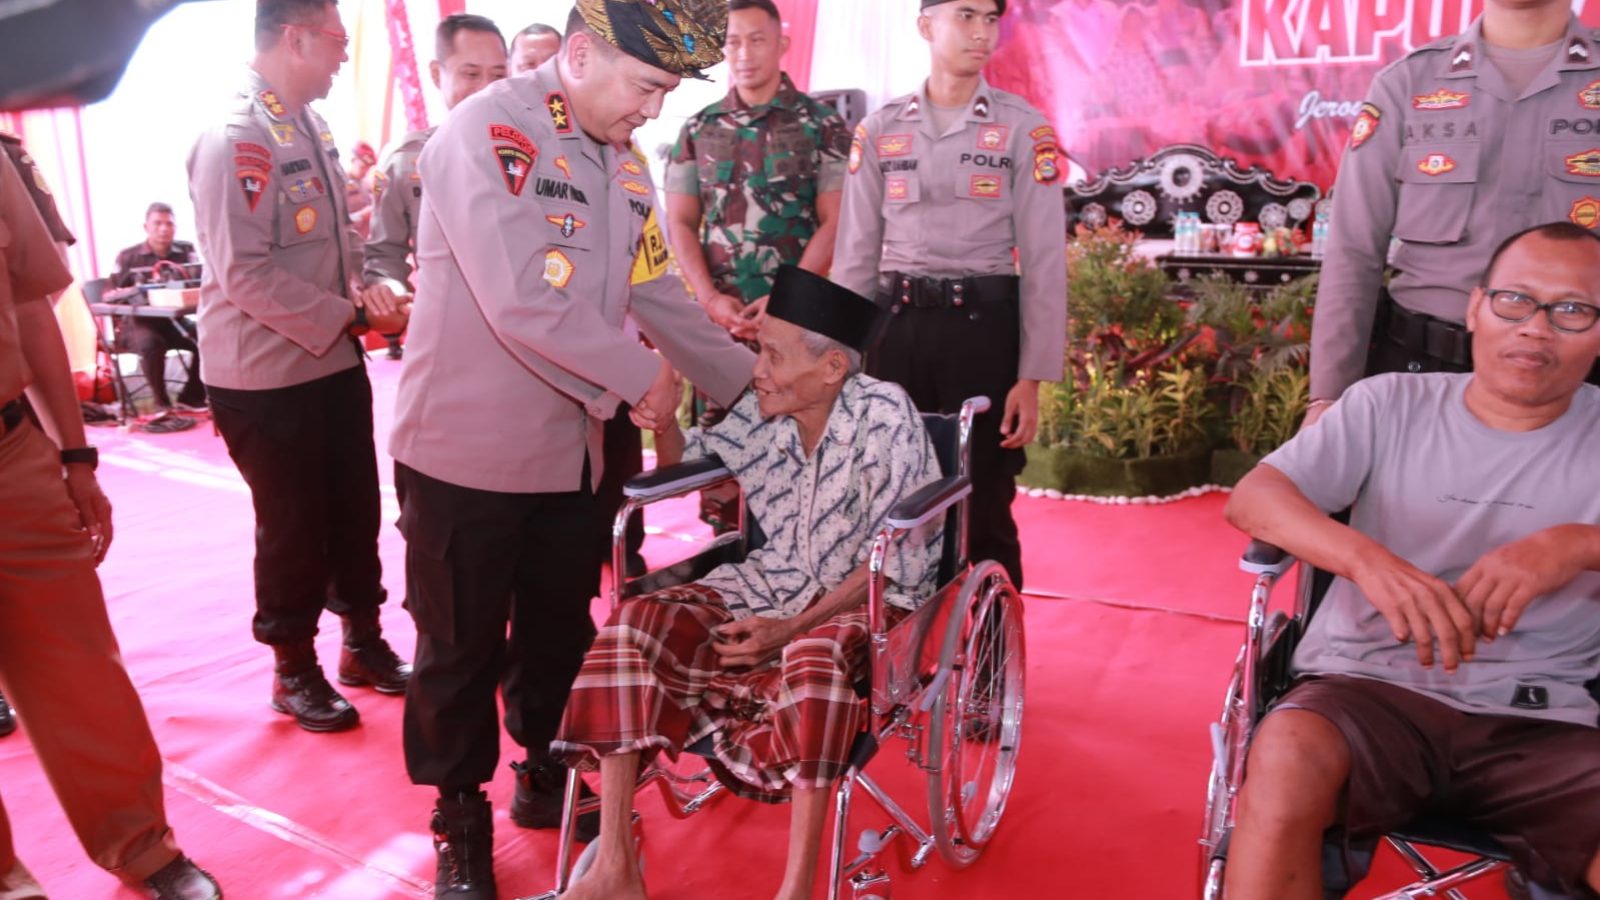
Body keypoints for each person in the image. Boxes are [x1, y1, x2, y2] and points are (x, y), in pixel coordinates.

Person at [388, 2, 753, 895]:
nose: (655, 112)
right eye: (647, 87)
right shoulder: (487, 133)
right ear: (583, 56)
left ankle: (545, 771)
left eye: (666, 93)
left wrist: (757, 385)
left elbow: (659, 290)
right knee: (459, 645)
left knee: (559, 634)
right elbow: (522, 300)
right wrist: (646, 382)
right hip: (465, 452)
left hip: (576, 455)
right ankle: (459, 815)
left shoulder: (625, 167)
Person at [1221, 222, 1600, 900]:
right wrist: (1367, 561)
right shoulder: (1387, 403)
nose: (1536, 329)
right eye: (1515, 300)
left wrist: (1576, 544)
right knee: (1281, 762)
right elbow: (1255, 499)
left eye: (1572, 310)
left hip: (1545, 718)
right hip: (1365, 692)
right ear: (1476, 305)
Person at [551, 264, 944, 900]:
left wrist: (790, 630)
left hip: (865, 597)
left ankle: (794, 890)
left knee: (814, 660)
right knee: (635, 622)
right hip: (769, 580)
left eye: (773, 355)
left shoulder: (885, 419)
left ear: (833, 369)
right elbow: (685, 465)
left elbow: (891, 562)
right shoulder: (767, 412)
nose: (756, 370)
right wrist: (667, 420)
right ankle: (617, 866)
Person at [0, 145, 223, 900]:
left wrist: (73, 455)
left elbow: (29, 307)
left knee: (80, 668)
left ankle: (142, 847)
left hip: (11, 457)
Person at [186, 0, 411, 735]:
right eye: (337, 41)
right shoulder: (235, 138)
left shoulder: (304, 122)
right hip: (264, 374)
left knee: (354, 508)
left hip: (332, 357)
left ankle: (362, 643)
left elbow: (323, 242)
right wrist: (351, 316)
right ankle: (292, 667)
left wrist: (365, 288)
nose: (345, 56)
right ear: (296, 37)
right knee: (291, 526)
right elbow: (243, 274)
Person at [831, 0, 1066, 590]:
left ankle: (991, 659)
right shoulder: (880, 130)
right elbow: (855, 255)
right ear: (925, 26)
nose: (982, 32)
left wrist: (1032, 377)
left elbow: (1043, 261)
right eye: (966, 16)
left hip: (982, 333)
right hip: (896, 330)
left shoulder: (1022, 128)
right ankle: (893, 657)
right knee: (890, 499)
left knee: (984, 502)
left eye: (991, 19)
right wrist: (838, 361)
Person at [1307, 0, 1600, 427]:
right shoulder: (1408, 83)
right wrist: (1328, 398)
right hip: (1420, 375)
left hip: (1578, 384)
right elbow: (1354, 252)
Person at [664, 0, 850, 534]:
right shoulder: (698, 129)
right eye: (732, 42)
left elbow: (835, 221)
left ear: (782, 44)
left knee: (802, 468)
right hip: (723, 332)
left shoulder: (822, 125)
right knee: (721, 472)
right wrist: (709, 301)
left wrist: (790, 302)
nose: (743, 54)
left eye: (757, 40)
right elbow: (679, 223)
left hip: (798, 331)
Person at [364, 12, 508, 362]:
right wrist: (390, 290)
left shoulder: (537, 153)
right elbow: (384, 254)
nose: (486, 88)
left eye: (499, 75)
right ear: (436, 73)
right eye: (471, 74)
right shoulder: (406, 161)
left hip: (534, 344)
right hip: (448, 346)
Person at [110, 203, 207, 417]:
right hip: (138, 324)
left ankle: (191, 396)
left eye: (169, 223)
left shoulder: (186, 251)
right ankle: (162, 404)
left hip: (174, 322)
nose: (164, 228)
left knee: (207, 336)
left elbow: (197, 282)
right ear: (146, 227)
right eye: (158, 223)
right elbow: (108, 295)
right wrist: (136, 292)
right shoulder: (128, 256)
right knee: (151, 343)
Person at [344, 140, 376, 240]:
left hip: (364, 242)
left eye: (368, 168)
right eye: (363, 167)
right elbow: (337, 222)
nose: (366, 171)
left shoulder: (366, 184)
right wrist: (361, 216)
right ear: (353, 160)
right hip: (347, 243)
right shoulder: (340, 184)